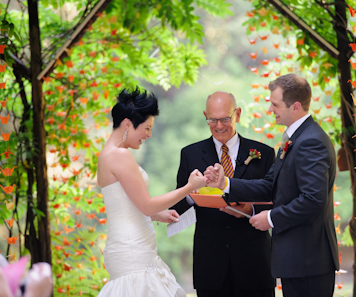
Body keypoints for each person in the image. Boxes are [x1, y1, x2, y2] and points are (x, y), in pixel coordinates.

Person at [205, 74, 339, 297]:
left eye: (275, 104)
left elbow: (313, 200)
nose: (271, 109)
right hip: (298, 261)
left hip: (309, 261)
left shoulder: (311, 141)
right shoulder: (295, 138)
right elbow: (270, 185)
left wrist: (270, 218)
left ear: (295, 106)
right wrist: (225, 183)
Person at [96, 88, 206, 297]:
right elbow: (146, 204)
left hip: (129, 246)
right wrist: (189, 187)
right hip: (133, 251)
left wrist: (156, 215)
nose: (149, 134)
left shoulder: (106, 155)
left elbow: (123, 204)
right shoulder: (119, 155)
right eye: (146, 128)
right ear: (128, 123)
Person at [172, 91, 276, 297]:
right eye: (212, 120)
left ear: (237, 114)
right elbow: (177, 206)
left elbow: (277, 200)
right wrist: (191, 194)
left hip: (254, 264)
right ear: (205, 116)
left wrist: (250, 209)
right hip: (210, 266)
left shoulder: (263, 154)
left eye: (225, 119)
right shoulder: (190, 154)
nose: (219, 126)